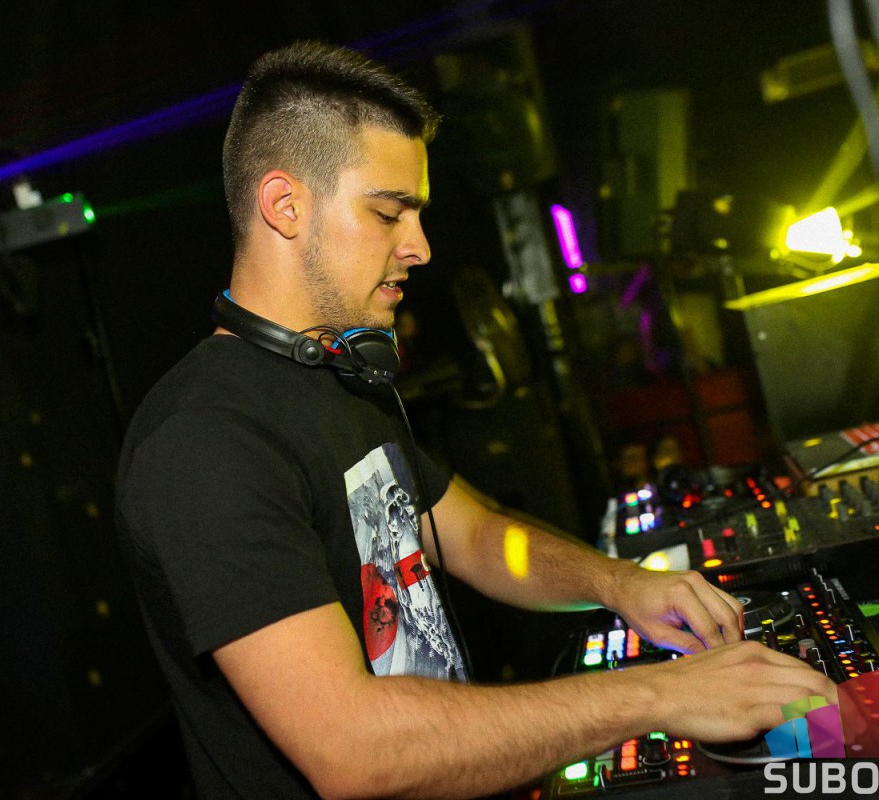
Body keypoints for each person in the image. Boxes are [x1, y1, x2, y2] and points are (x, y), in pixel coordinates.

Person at [114, 41, 837, 800]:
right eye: (388, 213)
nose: (419, 247)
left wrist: (622, 585)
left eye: (417, 215)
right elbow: (352, 750)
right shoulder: (204, 442)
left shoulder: (341, 373)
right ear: (285, 205)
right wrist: (659, 696)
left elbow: (481, 537)